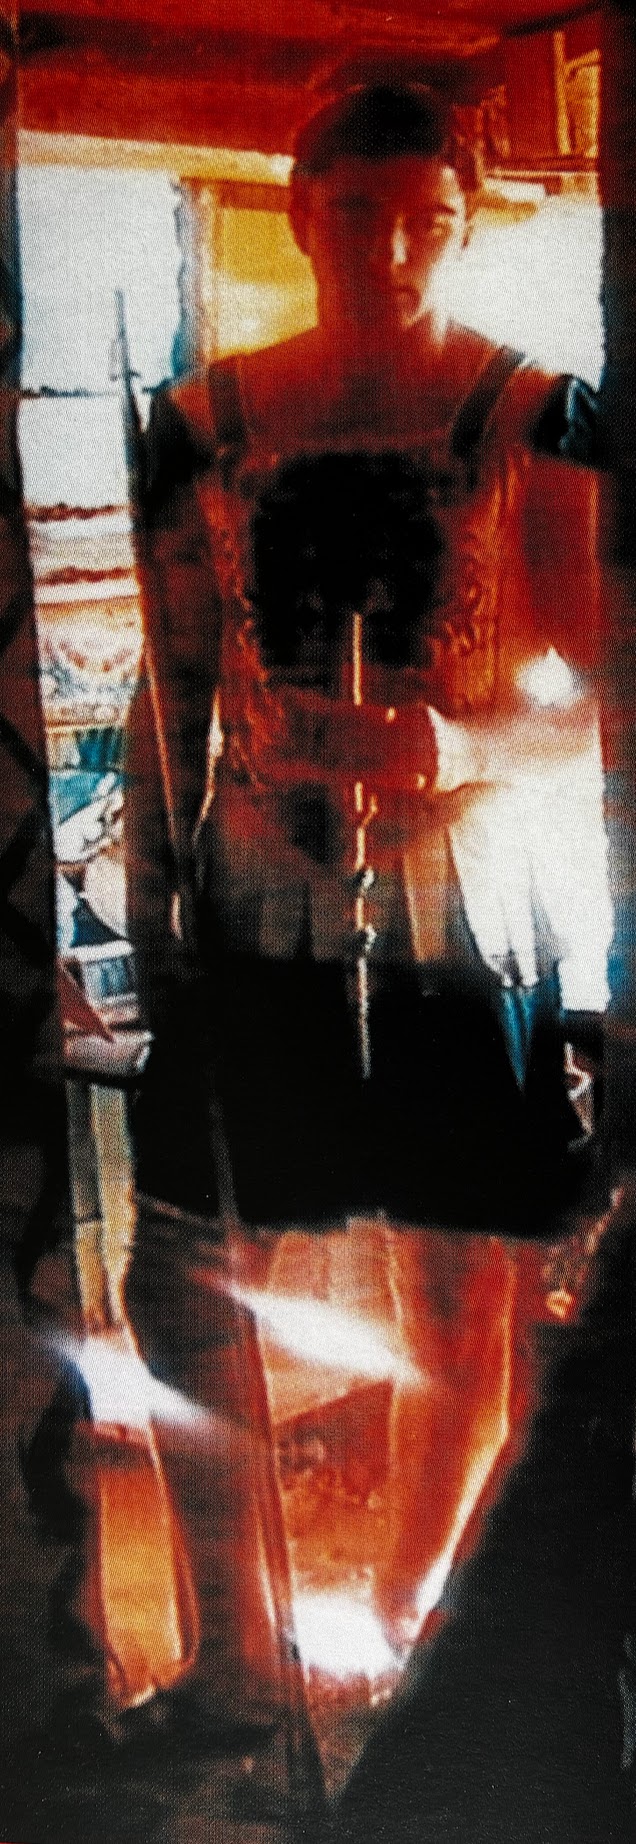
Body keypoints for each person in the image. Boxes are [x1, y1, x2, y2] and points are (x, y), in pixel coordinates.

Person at [125, 81, 613, 1650]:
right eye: (356, 211)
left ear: (462, 228)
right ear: (299, 213)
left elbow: (603, 700)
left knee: (459, 1289)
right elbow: (169, 686)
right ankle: (239, 1647)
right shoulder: (204, 422)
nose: (391, 248)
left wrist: (462, 746)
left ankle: (407, 1622)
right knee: (190, 1271)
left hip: (458, 902)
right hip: (256, 894)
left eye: (427, 220)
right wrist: (148, 899)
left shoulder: (531, 412)